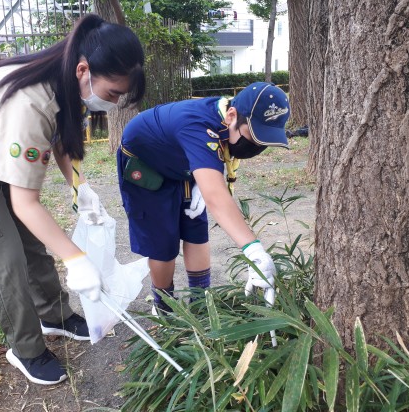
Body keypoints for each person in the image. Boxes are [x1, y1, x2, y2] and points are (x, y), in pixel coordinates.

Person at [0, 14, 145, 385]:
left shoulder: (67, 80)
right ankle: (25, 348)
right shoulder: (33, 103)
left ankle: (54, 317)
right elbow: (25, 203)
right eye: (111, 94)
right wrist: (76, 259)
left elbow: (61, 140)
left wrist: (80, 188)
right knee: (6, 254)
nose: (112, 103)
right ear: (83, 70)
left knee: (33, 243)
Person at [117, 82, 289, 314]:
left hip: (182, 161)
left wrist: (203, 181)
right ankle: (164, 306)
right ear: (232, 115)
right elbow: (216, 197)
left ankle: (200, 302)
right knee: (163, 242)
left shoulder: (224, 119)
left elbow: (215, 174)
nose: (256, 145)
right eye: (253, 136)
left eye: (264, 141)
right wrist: (254, 251)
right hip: (146, 165)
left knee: (196, 228)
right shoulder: (198, 126)